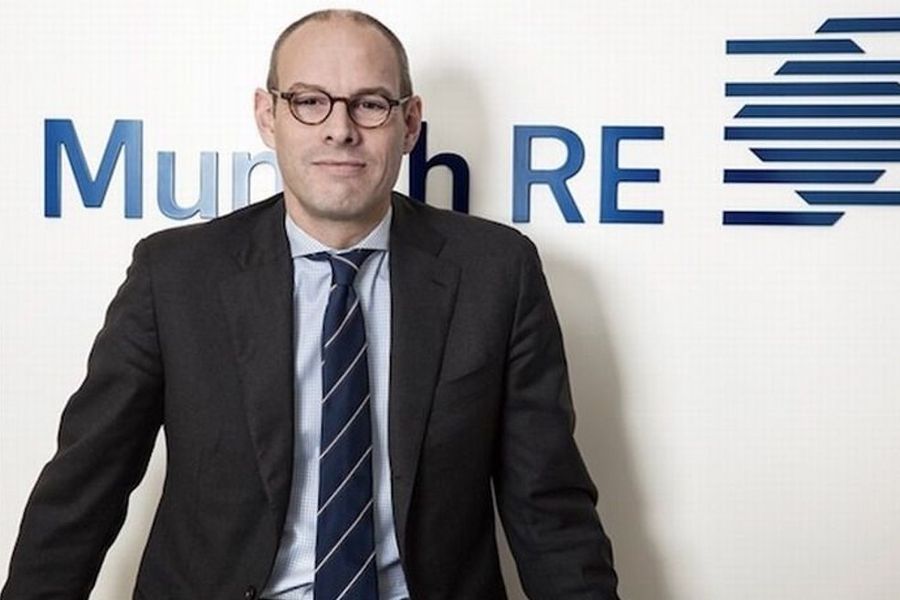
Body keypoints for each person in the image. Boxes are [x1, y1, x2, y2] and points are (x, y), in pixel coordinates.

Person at [2, 9, 618, 600]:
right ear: (267, 116)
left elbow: (548, 510)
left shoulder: (496, 273)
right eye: (309, 101)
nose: (339, 129)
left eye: (370, 104)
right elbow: (84, 489)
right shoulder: (175, 276)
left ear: (409, 123)